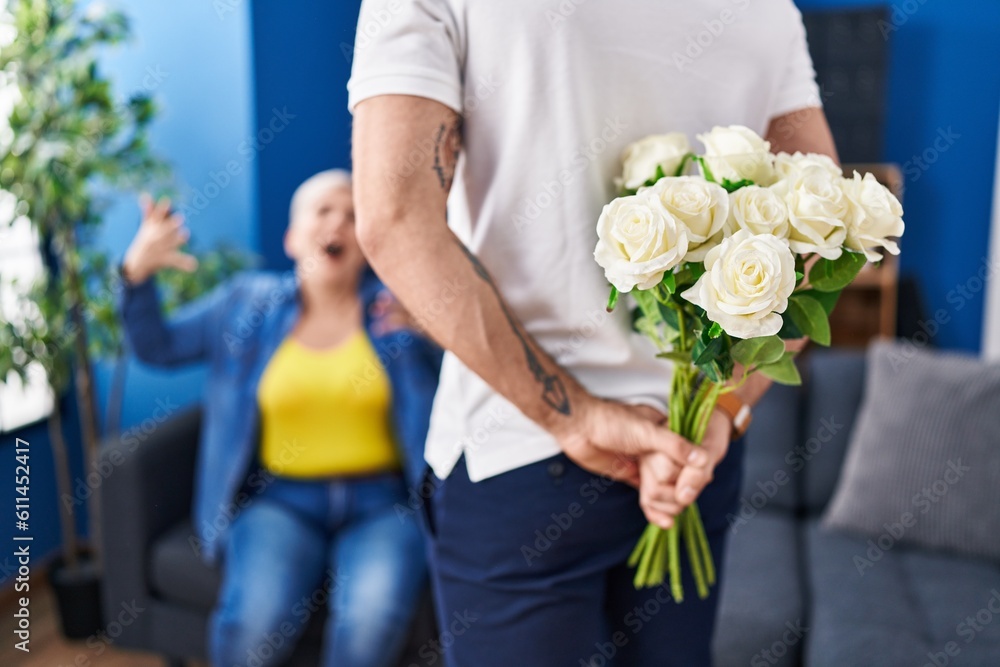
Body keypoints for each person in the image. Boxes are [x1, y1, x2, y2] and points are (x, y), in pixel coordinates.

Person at [347, 1, 837, 665]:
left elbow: (395, 217)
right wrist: (724, 409)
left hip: (522, 447)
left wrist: (578, 418)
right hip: (687, 450)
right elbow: (823, 230)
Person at [118, 169, 441, 667]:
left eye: (354, 215)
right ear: (293, 238)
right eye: (324, 211)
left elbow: (464, 389)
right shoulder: (244, 305)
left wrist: (439, 334)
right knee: (251, 628)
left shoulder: (397, 312)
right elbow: (158, 348)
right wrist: (135, 277)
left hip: (382, 505)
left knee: (370, 626)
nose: (338, 222)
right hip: (281, 501)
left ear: (370, 241)